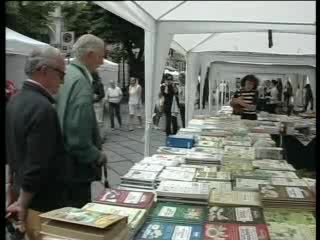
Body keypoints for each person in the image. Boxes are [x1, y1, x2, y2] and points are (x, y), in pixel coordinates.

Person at [6, 47, 68, 240]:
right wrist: (23, 203)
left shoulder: (15, 100)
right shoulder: (42, 108)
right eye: (61, 74)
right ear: (43, 70)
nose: (63, 81)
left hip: (22, 191)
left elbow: (11, 152)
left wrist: (13, 191)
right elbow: (37, 163)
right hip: (41, 201)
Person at [56, 34, 108, 208]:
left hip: (62, 165)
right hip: (75, 169)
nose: (102, 62)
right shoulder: (81, 82)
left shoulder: (68, 73)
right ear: (90, 55)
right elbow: (78, 139)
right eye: (101, 56)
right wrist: (97, 155)